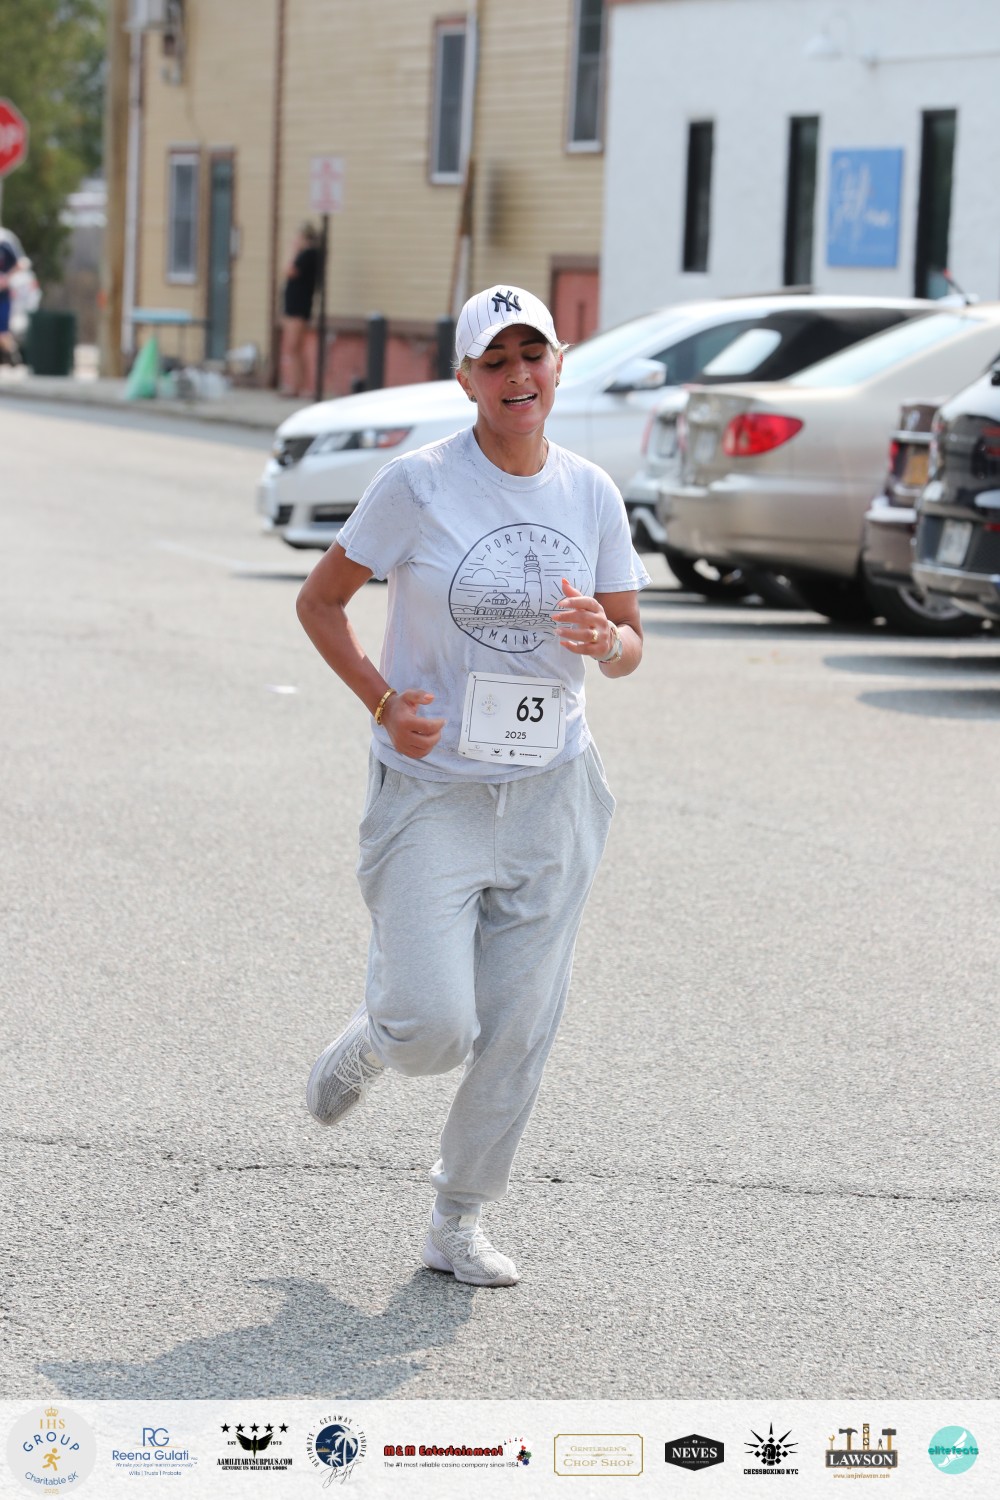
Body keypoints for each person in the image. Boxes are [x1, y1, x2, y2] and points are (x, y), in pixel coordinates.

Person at [296, 284, 649, 1287]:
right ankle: (383, 1034)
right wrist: (380, 701)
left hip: (552, 792)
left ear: (558, 366)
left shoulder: (590, 492)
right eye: (495, 361)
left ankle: (458, 1218)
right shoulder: (417, 484)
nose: (517, 376)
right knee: (435, 1028)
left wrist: (605, 640)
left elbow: (630, 644)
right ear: (465, 380)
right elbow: (320, 603)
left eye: (533, 355)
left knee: (519, 1024)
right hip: (432, 791)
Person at [280, 224, 320, 397]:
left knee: (294, 347)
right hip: (296, 306)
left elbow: (289, 271)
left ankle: (298, 386)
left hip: (298, 307)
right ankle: (299, 385)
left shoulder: (307, 255)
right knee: (296, 348)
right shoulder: (310, 255)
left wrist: (293, 252)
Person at [0, 227, 26, 365]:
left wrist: (6, 278)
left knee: (3, 333)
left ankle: (12, 353)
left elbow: (21, 263)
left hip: (3, 295)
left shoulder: (5, 244)